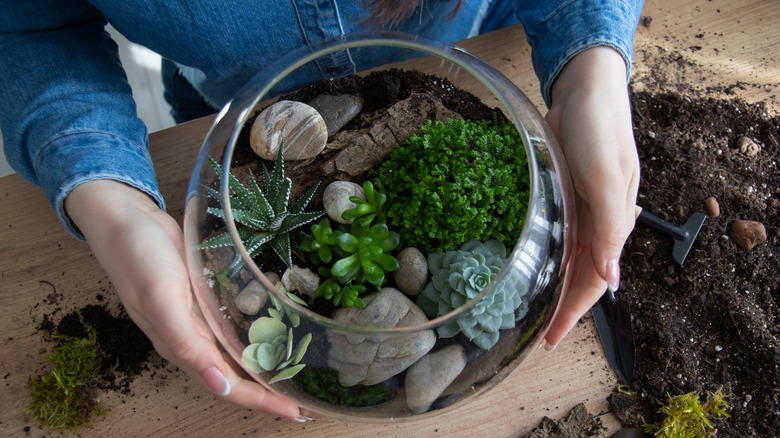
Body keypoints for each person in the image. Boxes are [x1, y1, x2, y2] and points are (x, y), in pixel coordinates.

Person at [0, 0, 642, 422]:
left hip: (487, 40)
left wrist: (591, 69)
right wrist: (109, 195)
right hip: (225, 111)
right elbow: (27, 22)